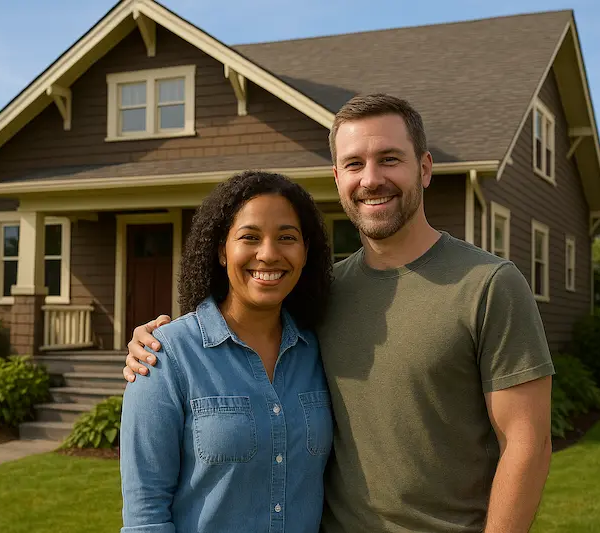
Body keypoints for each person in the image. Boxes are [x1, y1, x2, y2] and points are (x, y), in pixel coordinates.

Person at [124, 94, 554, 533]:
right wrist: (157, 341)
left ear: (424, 168)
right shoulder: (323, 295)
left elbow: (528, 442)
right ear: (336, 177)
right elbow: (240, 312)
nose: (371, 179)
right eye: (353, 164)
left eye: (389, 159)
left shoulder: (488, 284)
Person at [118, 170, 335, 533]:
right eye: (249, 237)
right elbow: (145, 516)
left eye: (287, 237)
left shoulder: (320, 350)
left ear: (305, 251)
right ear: (221, 250)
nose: (268, 254)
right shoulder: (165, 356)